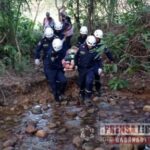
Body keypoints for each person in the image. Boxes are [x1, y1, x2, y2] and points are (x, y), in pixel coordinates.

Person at [75, 35, 103, 106]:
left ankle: (88, 97)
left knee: (89, 81)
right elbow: (76, 56)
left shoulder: (95, 50)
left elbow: (99, 60)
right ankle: (81, 93)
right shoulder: (81, 47)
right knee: (81, 82)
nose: (90, 46)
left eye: (92, 45)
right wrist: (75, 64)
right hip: (81, 68)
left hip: (90, 69)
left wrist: (100, 68)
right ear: (86, 43)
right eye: (89, 45)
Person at [93, 29, 114, 97]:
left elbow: (107, 52)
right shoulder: (90, 41)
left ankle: (98, 89)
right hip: (90, 61)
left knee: (97, 75)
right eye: (97, 38)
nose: (98, 39)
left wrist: (111, 59)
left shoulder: (102, 44)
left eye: (99, 38)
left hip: (98, 61)